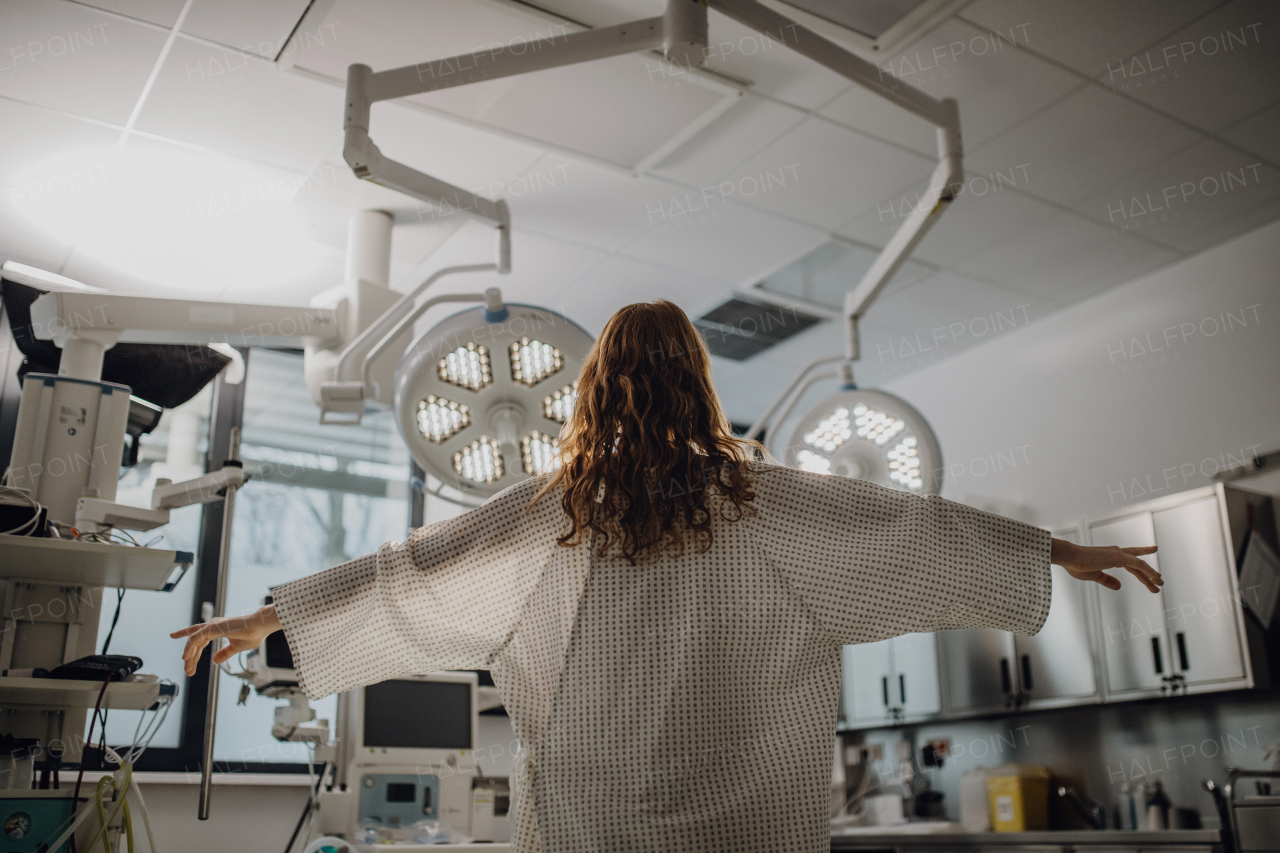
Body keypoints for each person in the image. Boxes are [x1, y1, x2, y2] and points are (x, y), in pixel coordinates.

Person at [173, 300, 1161, 853]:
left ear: (595, 383)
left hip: (592, 826)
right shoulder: (762, 496)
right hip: (744, 825)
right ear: (699, 377)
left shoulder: (556, 505)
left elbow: (415, 572)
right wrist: (1051, 551)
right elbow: (908, 528)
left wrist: (272, 618)